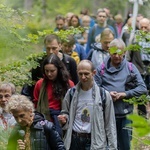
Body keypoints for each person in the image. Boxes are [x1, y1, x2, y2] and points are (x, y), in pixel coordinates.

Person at [94, 39, 147, 150]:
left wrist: (125, 94)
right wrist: (107, 94)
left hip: (125, 114)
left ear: (124, 53)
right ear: (109, 52)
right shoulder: (101, 69)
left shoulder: (130, 68)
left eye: (120, 53)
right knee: (108, 146)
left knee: (125, 145)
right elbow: (94, 89)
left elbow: (142, 88)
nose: (117, 56)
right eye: (114, 53)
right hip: (106, 115)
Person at [58, 60, 117, 150]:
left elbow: (110, 123)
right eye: (80, 74)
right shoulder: (71, 93)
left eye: (86, 74)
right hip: (74, 139)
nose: (83, 77)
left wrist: (113, 147)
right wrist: (64, 118)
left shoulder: (103, 95)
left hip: (94, 140)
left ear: (93, 73)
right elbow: (65, 112)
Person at [33, 54, 74, 137]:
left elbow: (73, 105)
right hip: (44, 121)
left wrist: (65, 118)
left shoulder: (68, 84)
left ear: (58, 70)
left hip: (62, 121)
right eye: (46, 71)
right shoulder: (40, 84)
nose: (49, 74)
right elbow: (36, 103)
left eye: (52, 71)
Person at [126, 18, 150, 117]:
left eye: (146, 27)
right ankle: (142, 118)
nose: (144, 29)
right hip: (139, 71)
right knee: (141, 96)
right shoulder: (134, 39)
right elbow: (128, 57)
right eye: (142, 27)